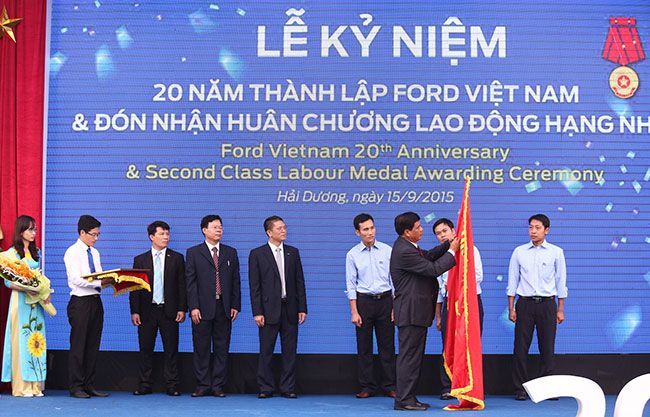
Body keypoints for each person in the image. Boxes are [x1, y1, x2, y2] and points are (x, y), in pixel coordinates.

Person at [390, 212, 458, 411]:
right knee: (409, 358)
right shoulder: (404, 250)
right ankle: (404, 400)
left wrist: (448, 244)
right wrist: (452, 252)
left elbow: (428, 256)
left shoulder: (409, 246)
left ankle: (409, 397)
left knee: (413, 358)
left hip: (416, 313)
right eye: (418, 227)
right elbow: (432, 269)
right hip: (410, 313)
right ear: (407, 232)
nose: (421, 230)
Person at [507, 214, 567, 401]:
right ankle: (520, 389)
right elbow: (512, 280)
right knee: (520, 347)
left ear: (546, 230)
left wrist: (560, 309)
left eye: (538, 228)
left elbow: (561, 281)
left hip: (547, 304)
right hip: (524, 303)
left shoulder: (556, 252)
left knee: (547, 347)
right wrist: (511, 308)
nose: (533, 231)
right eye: (530, 227)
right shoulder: (519, 252)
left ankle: (546, 389)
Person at [249, 216, 307, 399]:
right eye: (279, 228)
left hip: (290, 308)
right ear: (269, 232)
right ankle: (265, 387)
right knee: (266, 350)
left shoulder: (293, 252)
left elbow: (299, 282)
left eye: (284, 227)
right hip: (268, 311)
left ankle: (287, 387)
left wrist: (302, 308)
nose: (284, 231)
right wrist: (257, 312)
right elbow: (254, 286)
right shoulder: (257, 254)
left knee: (289, 351)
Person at [185, 215, 241, 398]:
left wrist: (235, 305)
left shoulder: (230, 252)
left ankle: (217, 385)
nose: (219, 230)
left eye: (221, 227)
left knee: (221, 348)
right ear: (204, 230)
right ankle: (202, 384)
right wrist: (193, 307)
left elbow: (235, 281)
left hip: (224, 307)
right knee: (201, 347)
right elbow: (190, 282)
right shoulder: (193, 252)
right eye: (215, 227)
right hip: (201, 308)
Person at [130, 221, 186, 396]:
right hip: (147, 311)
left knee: (171, 349)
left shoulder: (177, 258)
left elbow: (182, 285)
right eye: (162, 234)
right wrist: (135, 311)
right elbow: (135, 287)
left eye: (167, 234)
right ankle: (144, 384)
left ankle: (172, 385)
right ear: (151, 237)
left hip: (169, 310)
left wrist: (182, 308)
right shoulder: (140, 260)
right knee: (145, 349)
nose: (166, 237)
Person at [345, 213, 396, 399]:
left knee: (387, 346)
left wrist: (395, 306)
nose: (370, 232)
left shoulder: (387, 250)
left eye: (372, 228)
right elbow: (351, 284)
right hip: (364, 302)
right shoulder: (352, 255)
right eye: (365, 229)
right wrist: (354, 311)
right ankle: (367, 386)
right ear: (357, 232)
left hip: (386, 300)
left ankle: (390, 386)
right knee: (364, 346)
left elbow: (394, 280)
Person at [432, 218, 484, 400]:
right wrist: (439, 316)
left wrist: (457, 284)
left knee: (470, 345)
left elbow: (478, 276)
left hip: (470, 304)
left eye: (445, 231)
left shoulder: (470, 249)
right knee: (448, 345)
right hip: (449, 304)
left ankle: (470, 387)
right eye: (438, 234)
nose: (442, 235)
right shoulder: (439, 256)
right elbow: (440, 290)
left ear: (453, 230)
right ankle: (448, 386)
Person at [64, 215, 114, 398]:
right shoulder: (72, 252)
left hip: (95, 301)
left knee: (93, 344)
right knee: (79, 345)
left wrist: (111, 279)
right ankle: (76, 386)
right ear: (82, 232)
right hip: (80, 302)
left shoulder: (95, 252)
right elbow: (76, 280)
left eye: (98, 234)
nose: (96, 238)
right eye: (93, 234)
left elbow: (98, 275)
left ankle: (89, 384)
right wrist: (100, 282)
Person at [1, 215, 52, 397]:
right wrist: (26, 288)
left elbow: (39, 276)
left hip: (36, 302)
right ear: (20, 231)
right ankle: (22, 387)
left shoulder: (36, 251)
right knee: (22, 341)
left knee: (36, 341)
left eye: (35, 229)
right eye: (30, 229)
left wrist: (44, 291)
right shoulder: (10, 254)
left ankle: (36, 386)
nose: (33, 233)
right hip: (20, 301)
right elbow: (8, 282)